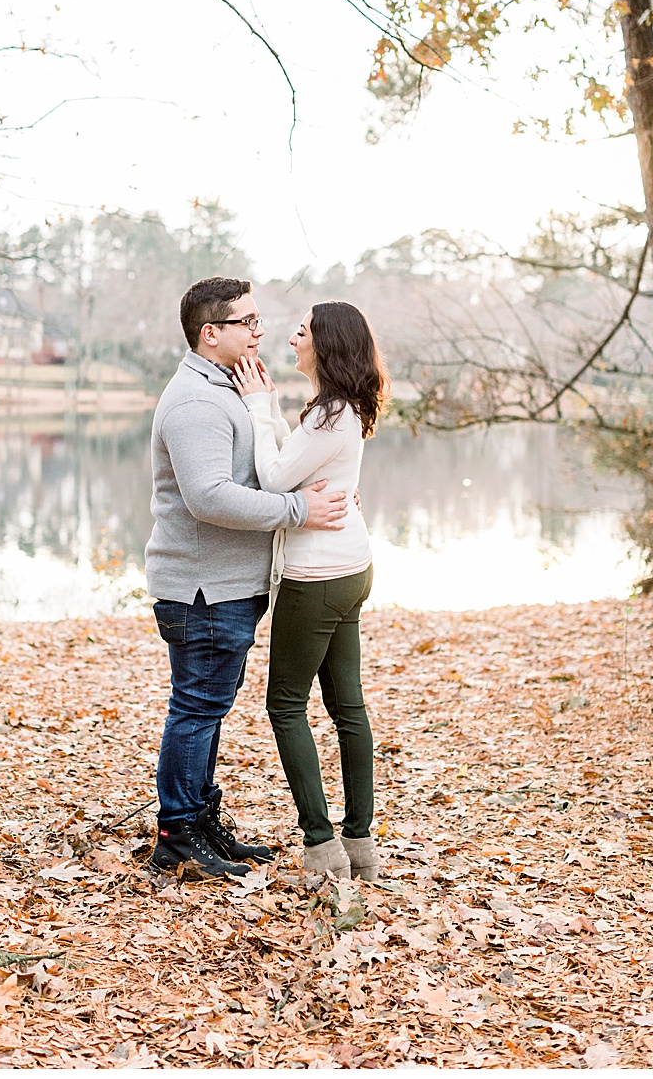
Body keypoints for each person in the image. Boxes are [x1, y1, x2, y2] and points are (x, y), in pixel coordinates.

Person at [144, 276, 350, 880]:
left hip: (228, 586)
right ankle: (177, 836)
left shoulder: (226, 389)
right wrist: (298, 510)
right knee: (197, 707)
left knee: (208, 706)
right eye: (249, 322)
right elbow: (209, 497)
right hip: (203, 588)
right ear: (213, 334)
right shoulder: (197, 403)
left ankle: (200, 821)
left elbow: (262, 469)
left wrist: (312, 483)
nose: (262, 331)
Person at [232, 302, 386, 882]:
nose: (291, 337)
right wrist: (267, 405)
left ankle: (322, 848)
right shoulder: (337, 409)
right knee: (347, 705)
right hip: (350, 568)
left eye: (301, 331)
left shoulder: (330, 415)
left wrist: (253, 406)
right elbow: (293, 463)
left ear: (325, 343)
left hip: (318, 578)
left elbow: (273, 478)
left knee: (285, 703)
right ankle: (360, 843)